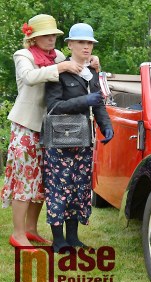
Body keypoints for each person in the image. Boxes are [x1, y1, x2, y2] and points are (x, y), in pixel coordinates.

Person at [0, 14, 99, 252]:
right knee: (24, 180)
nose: (51, 39)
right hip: (27, 125)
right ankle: (18, 233)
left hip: (53, 129)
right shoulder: (23, 56)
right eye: (45, 35)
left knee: (44, 181)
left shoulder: (59, 56)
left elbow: (77, 68)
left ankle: (32, 230)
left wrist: (92, 61)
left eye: (53, 35)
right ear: (33, 38)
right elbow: (29, 77)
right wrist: (60, 66)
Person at [43, 23, 114, 252]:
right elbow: (53, 107)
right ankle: (58, 240)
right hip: (60, 141)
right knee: (59, 188)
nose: (86, 46)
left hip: (83, 139)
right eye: (81, 42)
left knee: (79, 188)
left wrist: (106, 126)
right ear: (70, 45)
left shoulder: (92, 72)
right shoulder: (58, 72)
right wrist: (84, 101)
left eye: (89, 43)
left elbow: (99, 103)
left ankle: (73, 238)